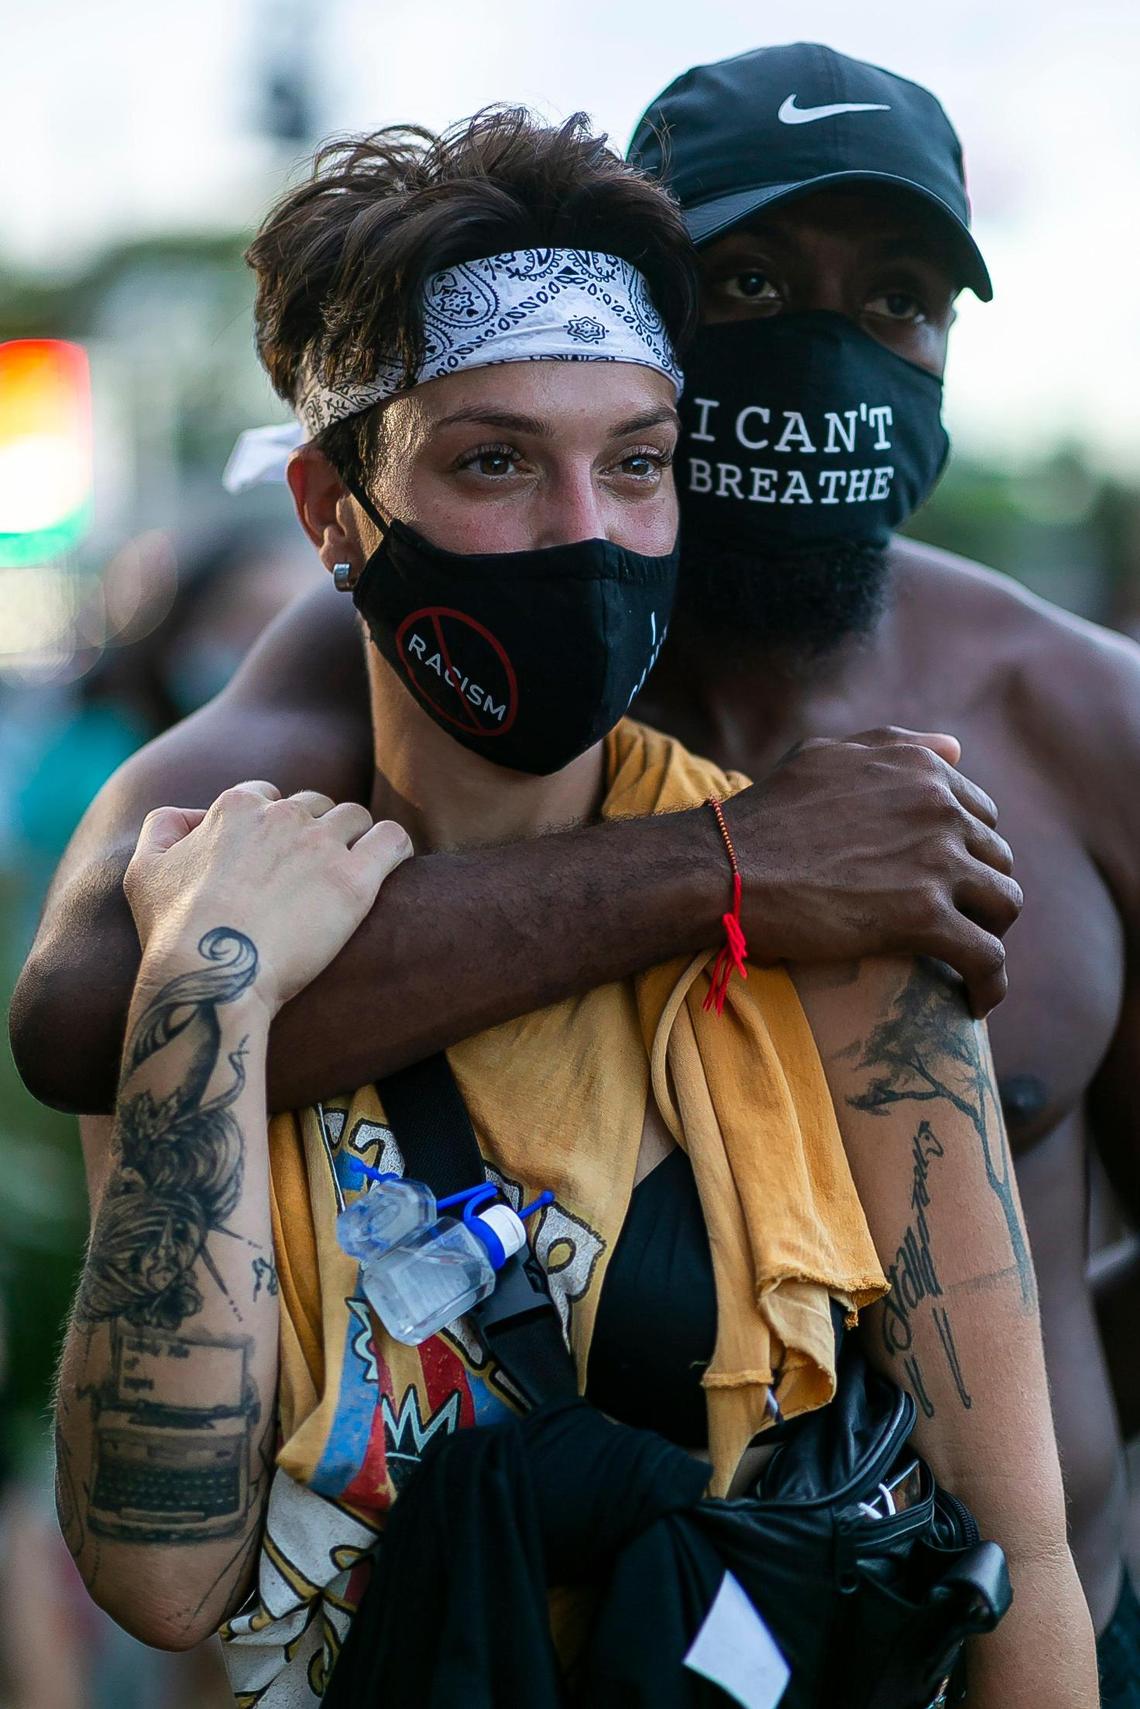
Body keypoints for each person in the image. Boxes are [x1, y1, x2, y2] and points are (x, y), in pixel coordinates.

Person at [48, 110, 1092, 1706]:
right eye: (494, 461)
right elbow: (160, 1568)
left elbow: (1019, 1574)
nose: (585, 532)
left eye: (638, 463)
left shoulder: (841, 937)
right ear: (334, 509)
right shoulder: (223, 926)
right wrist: (209, 990)